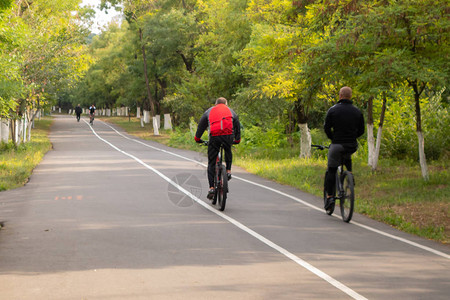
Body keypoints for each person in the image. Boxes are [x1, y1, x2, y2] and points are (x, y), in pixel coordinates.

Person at [323, 86, 365, 211]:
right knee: (347, 154)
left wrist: (333, 138)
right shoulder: (357, 111)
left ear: (340, 96)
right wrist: (352, 137)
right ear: (350, 96)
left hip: (337, 144)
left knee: (331, 169)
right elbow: (361, 130)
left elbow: (326, 128)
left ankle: (330, 197)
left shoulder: (333, 110)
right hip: (352, 145)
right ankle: (350, 174)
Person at [195, 97, 241, 200]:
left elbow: (201, 126)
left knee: (211, 163)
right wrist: (237, 140)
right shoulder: (231, 111)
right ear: (226, 104)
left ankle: (211, 188)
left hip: (214, 137)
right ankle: (228, 171)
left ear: (215, 104)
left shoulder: (209, 111)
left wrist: (197, 138)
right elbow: (237, 125)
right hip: (227, 136)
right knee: (228, 150)